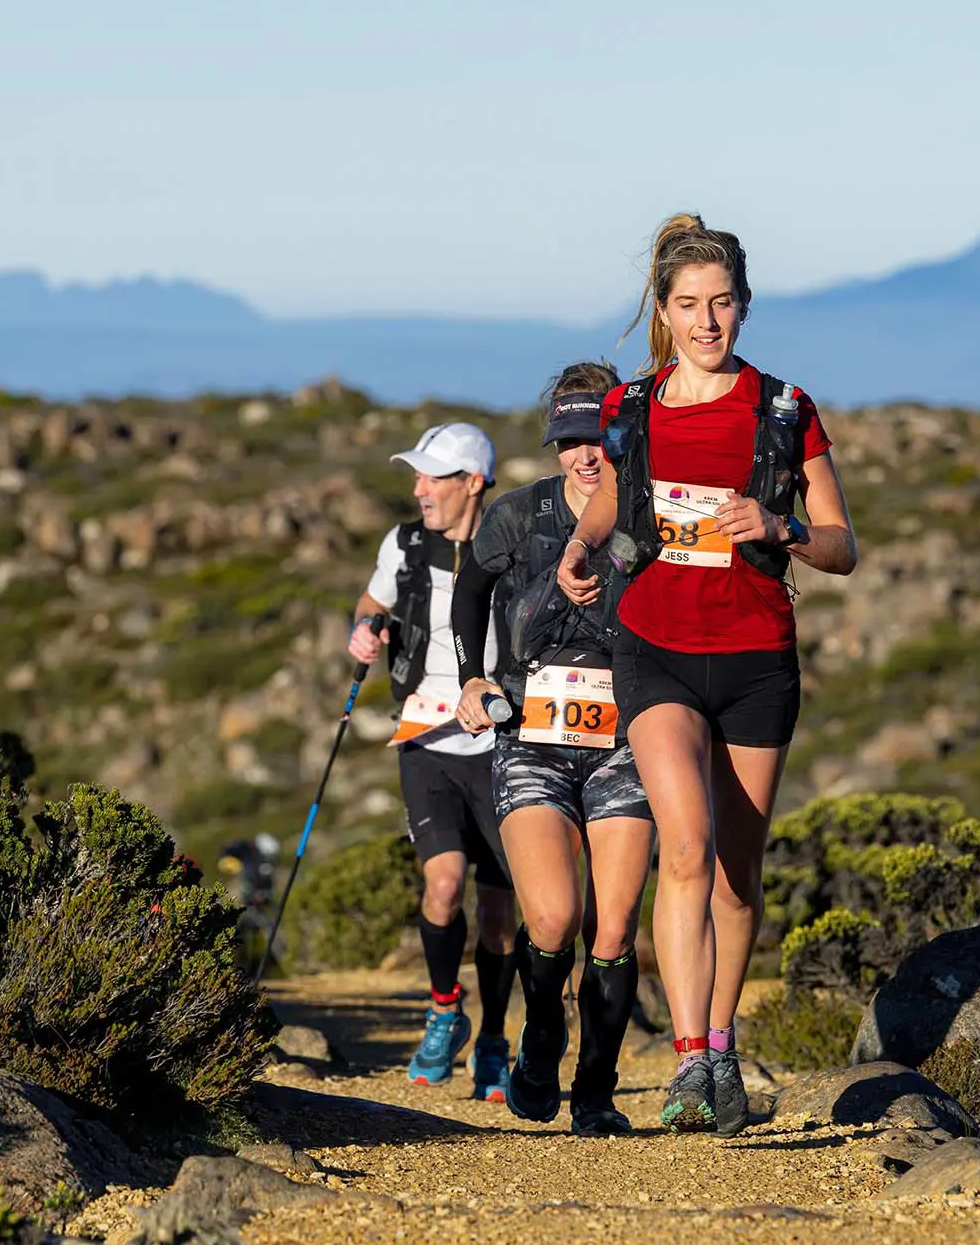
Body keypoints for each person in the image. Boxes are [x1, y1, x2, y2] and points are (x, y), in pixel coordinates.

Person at [557, 215, 859, 1135]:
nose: (707, 320)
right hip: (653, 649)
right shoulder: (632, 409)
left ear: (745, 306)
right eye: (688, 304)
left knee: (736, 874)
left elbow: (844, 546)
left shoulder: (784, 409)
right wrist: (581, 541)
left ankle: (721, 1045)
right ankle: (690, 1060)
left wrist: (784, 531)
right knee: (681, 848)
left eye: (721, 302)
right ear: (663, 309)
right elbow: (617, 490)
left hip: (758, 659)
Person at [449, 364, 652, 1136]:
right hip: (530, 739)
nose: (585, 456)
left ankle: (595, 1093)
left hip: (626, 740)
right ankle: (540, 1044)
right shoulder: (518, 516)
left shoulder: (646, 517)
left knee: (614, 926)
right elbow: (469, 590)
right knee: (553, 917)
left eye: (598, 437)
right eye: (569, 441)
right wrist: (472, 677)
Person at [349, 422, 518, 1097]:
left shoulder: (513, 545)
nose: (418, 489)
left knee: (502, 914)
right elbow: (371, 602)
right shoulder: (406, 544)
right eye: (416, 476)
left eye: (432, 477)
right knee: (444, 886)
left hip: (506, 745)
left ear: (472, 483)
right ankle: (445, 1010)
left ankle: (498, 1039)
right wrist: (363, 630)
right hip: (426, 741)